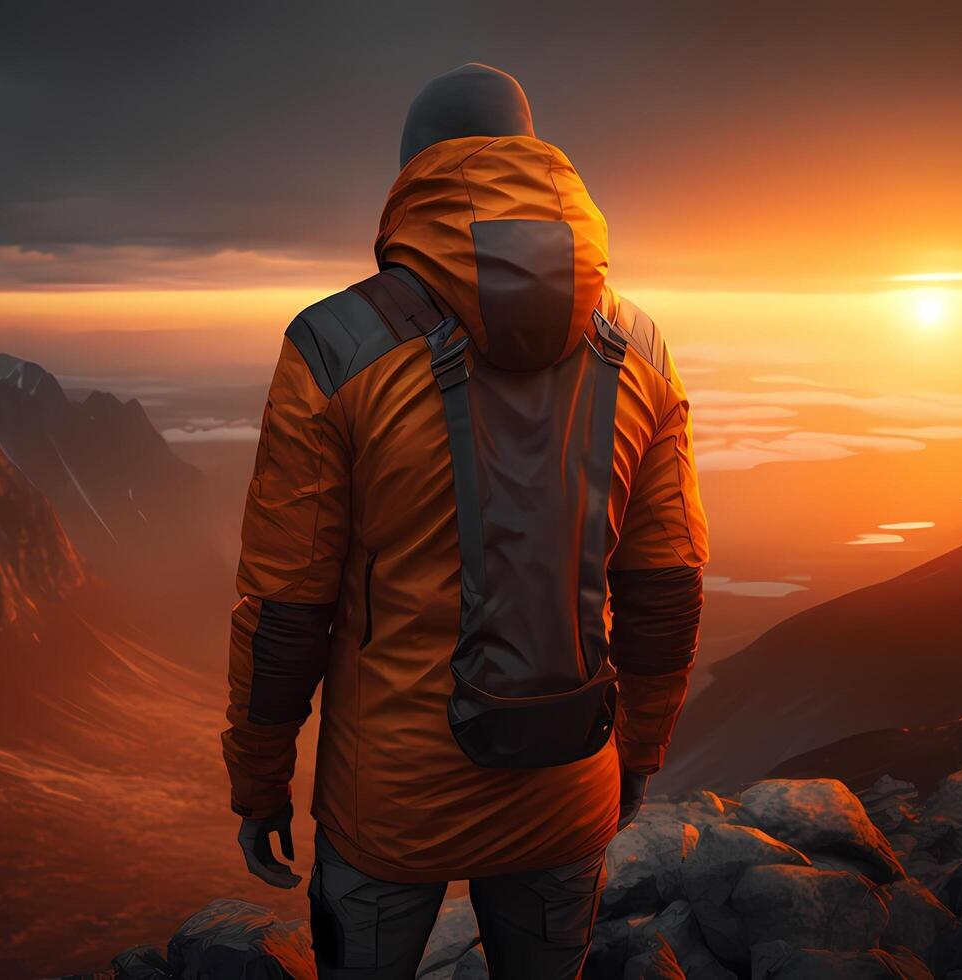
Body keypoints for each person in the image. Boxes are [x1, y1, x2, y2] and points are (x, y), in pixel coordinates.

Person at [223, 63, 708, 980]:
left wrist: (258, 783)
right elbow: (666, 585)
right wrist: (637, 750)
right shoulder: (640, 347)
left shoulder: (331, 346)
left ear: (411, 177)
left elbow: (286, 607)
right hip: (567, 780)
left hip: (387, 807)